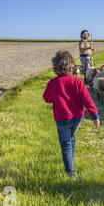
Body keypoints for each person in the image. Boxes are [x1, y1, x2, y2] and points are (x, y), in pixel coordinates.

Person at [43, 50, 100, 179]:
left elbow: (46, 98)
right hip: (77, 118)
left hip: (62, 119)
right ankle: (71, 162)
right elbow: (88, 100)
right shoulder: (78, 82)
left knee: (66, 145)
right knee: (71, 138)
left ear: (55, 67)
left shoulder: (53, 83)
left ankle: (71, 173)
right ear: (72, 66)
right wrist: (95, 116)